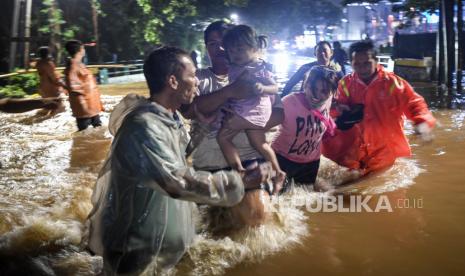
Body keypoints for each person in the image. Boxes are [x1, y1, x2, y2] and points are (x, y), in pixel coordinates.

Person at [87, 46, 269, 274]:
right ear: (173, 81)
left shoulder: (165, 116)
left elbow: (175, 158)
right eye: (192, 76)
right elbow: (175, 182)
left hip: (161, 245)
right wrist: (239, 182)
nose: (198, 82)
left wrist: (201, 128)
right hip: (139, 249)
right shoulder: (142, 127)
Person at [183, 21, 285, 226]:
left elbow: (279, 115)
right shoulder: (198, 78)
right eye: (213, 44)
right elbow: (188, 110)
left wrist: (246, 121)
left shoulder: (257, 71)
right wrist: (229, 93)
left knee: (257, 217)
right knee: (199, 228)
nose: (220, 49)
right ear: (207, 48)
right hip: (208, 163)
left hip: (249, 160)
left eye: (224, 43)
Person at [322, 40, 436, 175]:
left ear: (376, 61)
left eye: (366, 63)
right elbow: (333, 108)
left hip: (385, 150)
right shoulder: (345, 84)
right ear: (351, 63)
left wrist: (422, 122)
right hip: (355, 150)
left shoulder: (393, 83)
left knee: (372, 185)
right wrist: (339, 109)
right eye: (357, 64)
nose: (362, 68)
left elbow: (415, 103)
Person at [215, 24, 285, 186]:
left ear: (254, 47)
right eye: (231, 51)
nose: (235, 54)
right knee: (260, 143)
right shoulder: (236, 67)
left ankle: (238, 169)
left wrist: (263, 88)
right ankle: (278, 172)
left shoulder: (259, 67)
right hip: (250, 111)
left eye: (240, 49)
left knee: (223, 137)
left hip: (251, 111)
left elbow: (275, 87)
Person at [272, 66, 339, 187]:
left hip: (310, 164)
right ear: (305, 85)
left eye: (323, 91)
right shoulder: (289, 102)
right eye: (312, 89)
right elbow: (262, 126)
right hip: (282, 160)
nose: (316, 95)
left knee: (305, 202)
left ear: (332, 92)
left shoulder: (328, 101)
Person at [64, 40, 104, 131]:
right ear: (80, 50)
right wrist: (84, 109)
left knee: (97, 134)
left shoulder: (79, 65)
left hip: (91, 108)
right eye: (83, 48)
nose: (84, 50)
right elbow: (74, 87)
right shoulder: (73, 66)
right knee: (85, 134)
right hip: (85, 110)